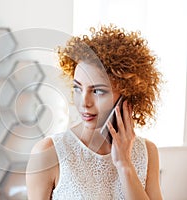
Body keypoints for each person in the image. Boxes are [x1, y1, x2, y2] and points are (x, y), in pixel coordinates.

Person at [26, 24, 163, 199]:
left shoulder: (147, 152)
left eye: (98, 91)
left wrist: (125, 165)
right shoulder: (48, 153)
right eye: (78, 88)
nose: (84, 102)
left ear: (126, 95)